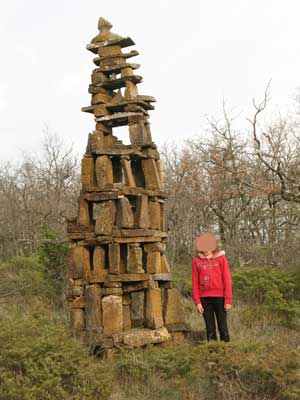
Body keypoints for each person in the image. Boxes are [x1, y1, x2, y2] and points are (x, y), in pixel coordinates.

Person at [191, 232, 232, 342]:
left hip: (220, 298)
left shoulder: (221, 259)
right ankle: (212, 355)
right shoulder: (196, 262)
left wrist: (228, 300)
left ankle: (226, 352)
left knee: (223, 328)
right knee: (210, 329)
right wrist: (197, 302)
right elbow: (194, 283)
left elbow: (227, 279)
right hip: (204, 299)